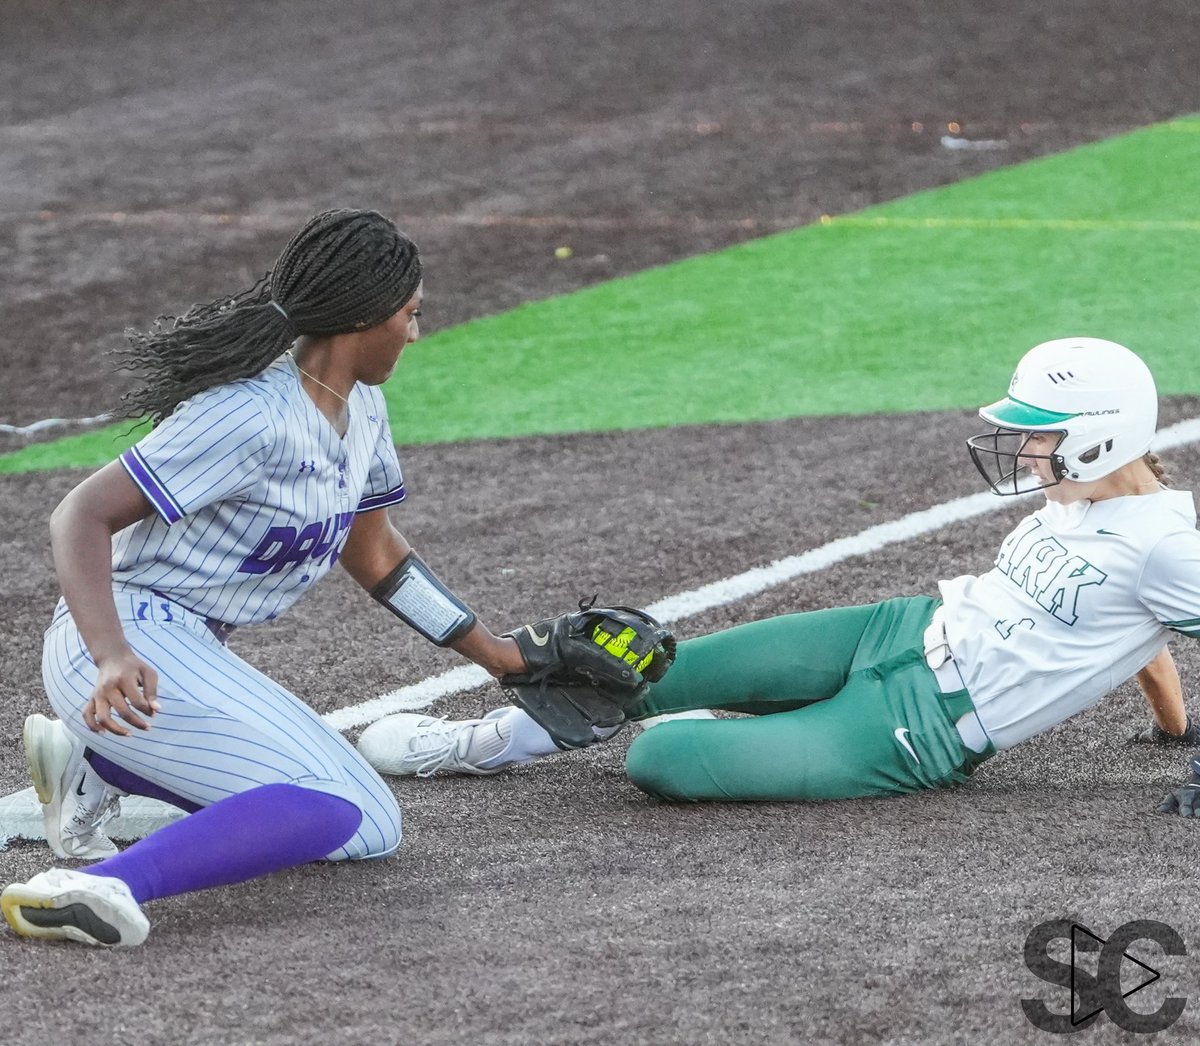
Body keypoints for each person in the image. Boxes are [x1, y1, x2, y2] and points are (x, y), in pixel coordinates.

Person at [357, 337, 1200, 803]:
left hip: (925, 728)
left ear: (1104, 433)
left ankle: (753, 730)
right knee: (640, 666)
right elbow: (1138, 632)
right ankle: (481, 746)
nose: (1018, 446)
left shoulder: (1166, 540)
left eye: (1038, 431)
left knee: (663, 764)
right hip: (900, 628)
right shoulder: (1082, 496)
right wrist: (1174, 727)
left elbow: (1156, 608)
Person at [1, 208, 529, 948]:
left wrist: (499, 655)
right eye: (411, 315)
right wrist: (112, 652)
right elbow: (78, 516)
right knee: (341, 808)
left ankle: (94, 767)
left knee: (367, 825)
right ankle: (100, 887)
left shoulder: (362, 409)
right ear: (366, 317)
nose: (416, 332)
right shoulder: (248, 415)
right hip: (126, 646)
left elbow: (377, 557)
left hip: (186, 651)